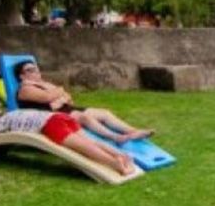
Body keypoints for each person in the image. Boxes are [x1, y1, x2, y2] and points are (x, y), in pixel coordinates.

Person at [14, 61, 153, 144]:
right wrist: (59, 92)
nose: (35, 71)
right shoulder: (25, 89)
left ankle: (133, 131)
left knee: (104, 113)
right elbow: (48, 97)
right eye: (29, 70)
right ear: (22, 76)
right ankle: (115, 137)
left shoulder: (44, 84)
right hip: (49, 116)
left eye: (35, 68)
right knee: (85, 117)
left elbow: (67, 96)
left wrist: (59, 96)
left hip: (64, 109)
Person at [0, 110, 135, 176]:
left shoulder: (3, 121)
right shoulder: (15, 112)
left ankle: (114, 163)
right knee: (91, 141)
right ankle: (120, 155)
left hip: (50, 124)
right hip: (60, 116)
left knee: (84, 148)